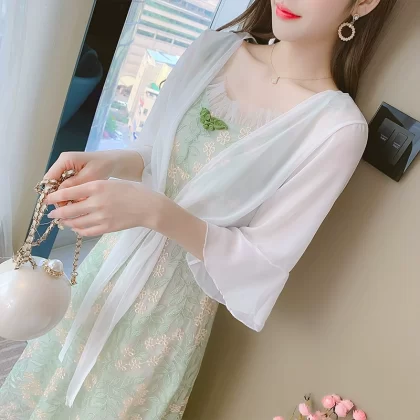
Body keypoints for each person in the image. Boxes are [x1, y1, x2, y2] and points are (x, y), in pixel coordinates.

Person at [0, 0, 396, 419]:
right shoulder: (212, 50)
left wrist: (155, 211)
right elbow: (154, 151)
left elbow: (262, 262)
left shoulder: (336, 129)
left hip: (164, 321)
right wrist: (109, 161)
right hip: (104, 274)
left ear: (364, 3)